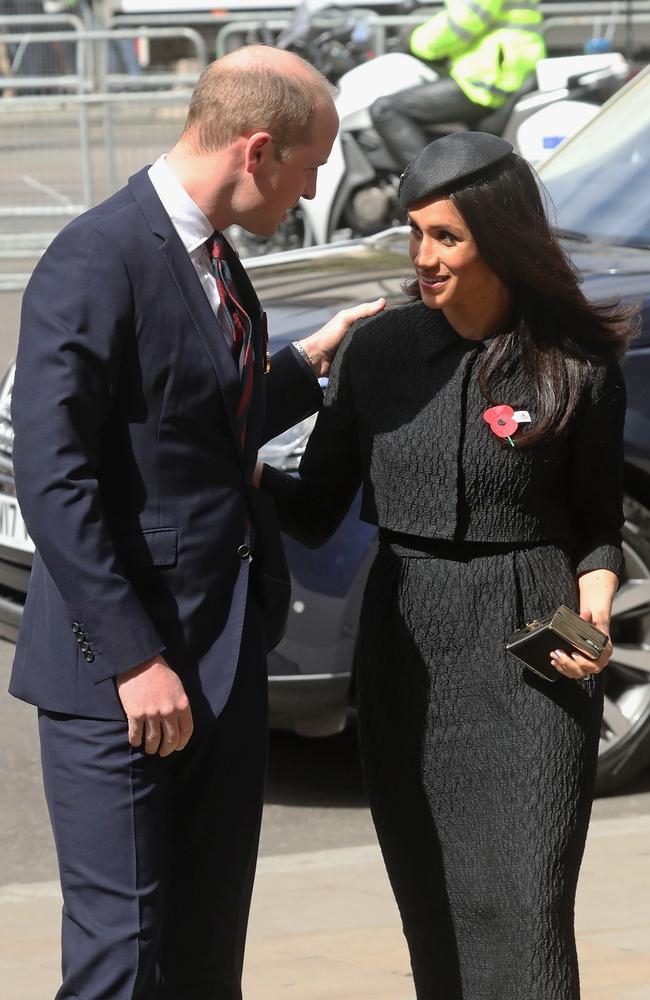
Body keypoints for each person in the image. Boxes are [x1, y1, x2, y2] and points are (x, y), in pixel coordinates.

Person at [9, 45, 384, 999]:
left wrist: (311, 365)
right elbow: (57, 479)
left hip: (224, 657)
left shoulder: (215, 257)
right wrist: (136, 660)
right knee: (123, 960)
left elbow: (195, 429)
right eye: (308, 170)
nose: (310, 195)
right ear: (258, 151)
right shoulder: (97, 256)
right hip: (120, 679)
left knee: (207, 950)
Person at [257, 131, 636, 998]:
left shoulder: (579, 367)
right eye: (414, 233)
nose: (422, 258)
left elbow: (596, 529)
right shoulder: (380, 354)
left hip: (530, 655)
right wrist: (223, 462)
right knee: (432, 908)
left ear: (499, 240)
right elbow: (315, 508)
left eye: (446, 237)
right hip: (408, 654)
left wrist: (596, 612)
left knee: (527, 906)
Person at [370, 0, 545, 171]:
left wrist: (415, 39)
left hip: (490, 77)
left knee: (386, 109)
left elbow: (466, 20)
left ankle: (429, 186)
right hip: (507, 67)